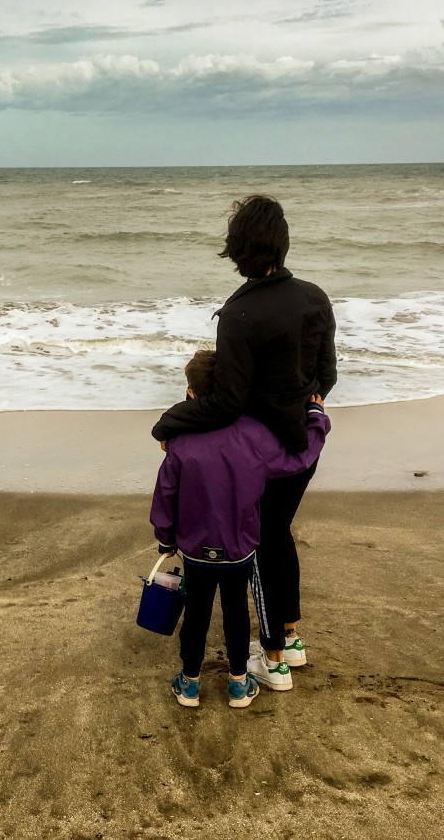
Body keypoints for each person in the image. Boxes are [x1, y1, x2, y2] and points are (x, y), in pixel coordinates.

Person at [152, 195, 336, 684]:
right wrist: (306, 412)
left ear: (237, 250)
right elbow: (325, 377)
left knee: (264, 545)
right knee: (279, 535)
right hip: (302, 445)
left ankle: (273, 660)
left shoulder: (240, 314)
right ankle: (289, 637)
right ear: (282, 242)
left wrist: (170, 421)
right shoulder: (314, 297)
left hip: (258, 454)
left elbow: (227, 403)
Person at [151, 349, 330, 708]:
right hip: (240, 548)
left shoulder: (180, 442)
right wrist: (316, 418)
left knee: (197, 613)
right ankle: (237, 684)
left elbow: (166, 493)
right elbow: (298, 459)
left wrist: (166, 538)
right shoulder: (255, 435)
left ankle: (189, 684)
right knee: (236, 611)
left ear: (191, 394)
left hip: (196, 549)